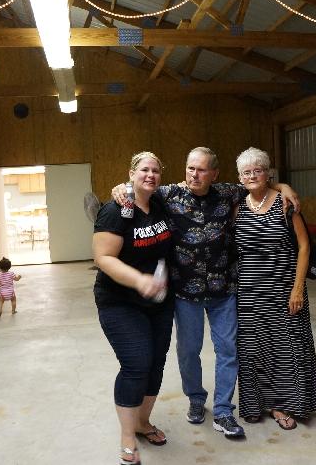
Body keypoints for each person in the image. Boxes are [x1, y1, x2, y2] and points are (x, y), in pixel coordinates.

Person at [111, 146, 300, 439]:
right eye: (190, 168)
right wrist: (120, 188)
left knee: (228, 351)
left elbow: (257, 182)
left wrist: (283, 186)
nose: (194, 175)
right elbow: (140, 187)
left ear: (214, 173)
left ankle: (223, 410)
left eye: (201, 170)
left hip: (224, 291)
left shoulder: (228, 193)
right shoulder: (169, 195)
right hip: (185, 293)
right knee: (189, 352)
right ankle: (196, 399)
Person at [94, 152, 175, 465]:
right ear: (131, 173)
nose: (150, 175)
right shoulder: (116, 209)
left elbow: (199, 185)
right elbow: (103, 258)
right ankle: (127, 436)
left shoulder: (160, 202)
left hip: (159, 300)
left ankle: (142, 422)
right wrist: (138, 280)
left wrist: (281, 186)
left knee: (156, 362)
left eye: (156, 170)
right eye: (144, 169)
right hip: (119, 301)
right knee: (137, 363)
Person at [233, 147, 316, 430]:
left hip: (283, 288)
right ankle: (255, 403)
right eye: (246, 172)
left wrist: (298, 289)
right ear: (240, 177)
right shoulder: (237, 206)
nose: (252, 176)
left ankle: (282, 405)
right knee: (252, 347)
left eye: (257, 170)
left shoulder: (285, 204)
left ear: (267, 173)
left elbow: (304, 247)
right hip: (248, 291)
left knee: (285, 347)